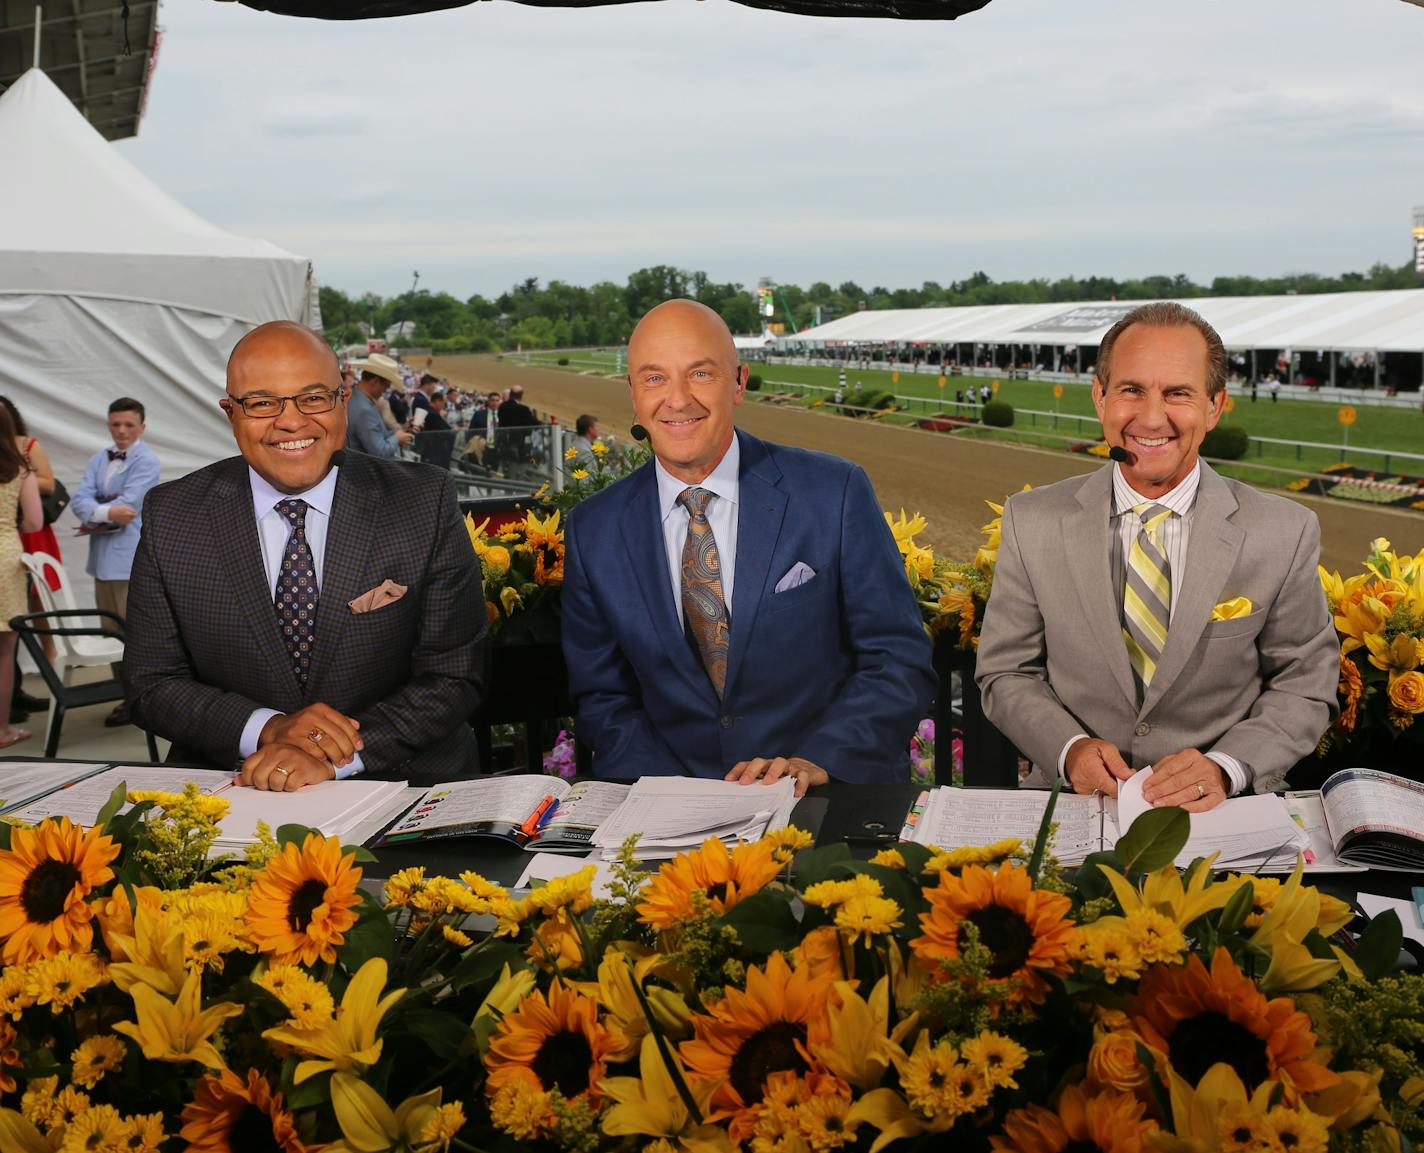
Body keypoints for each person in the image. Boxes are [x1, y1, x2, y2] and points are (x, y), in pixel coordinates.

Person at [562, 300, 935, 797]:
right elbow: (602, 696)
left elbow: (898, 657)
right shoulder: (594, 528)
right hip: (671, 816)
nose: (677, 399)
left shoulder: (834, 492)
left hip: (826, 801)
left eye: (699, 373)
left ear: (738, 382)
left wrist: (817, 760)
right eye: (654, 378)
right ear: (632, 392)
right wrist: (675, 794)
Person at [975, 302, 1337, 811]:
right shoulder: (1030, 519)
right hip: (1074, 804)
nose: (1150, 417)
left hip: (1223, 810)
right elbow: (1006, 671)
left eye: (1177, 394)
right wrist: (1069, 749)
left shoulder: (1285, 530)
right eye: (1131, 390)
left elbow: (1305, 683)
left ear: (1215, 406)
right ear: (1099, 397)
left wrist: (1227, 766)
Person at [125, 321, 486, 790]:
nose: (292, 421)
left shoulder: (422, 501)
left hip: (404, 786)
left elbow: (455, 674)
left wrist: (331, 756)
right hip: (232, 795)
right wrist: (270, 729)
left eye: (313, 398)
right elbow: (151, 684)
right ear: (230, 412)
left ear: (342, 400)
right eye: (262, 403)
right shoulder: (172, 514)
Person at [70, 397, 161, 726]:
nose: (121, 431)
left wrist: (98, 507)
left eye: (129, 425)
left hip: (128, 558)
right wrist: (105, 510)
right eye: (115, 424)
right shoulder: (99, 458)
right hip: (101, 559)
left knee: (130, 633)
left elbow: (131, 505)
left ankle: (137, 699)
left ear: (142, 427)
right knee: (111, 631)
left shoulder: (147, 461)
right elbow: (79, 498)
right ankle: (123, 696)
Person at [1, 396, 61, 707]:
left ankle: (51, 672)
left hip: (30, 539)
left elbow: (49, 483)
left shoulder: (27, 448)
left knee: (41, 612)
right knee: (10, 632)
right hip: (12, 539)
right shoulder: (17, 466)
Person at [0, 403, 43, 748]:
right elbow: (34, 523)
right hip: (6, 557)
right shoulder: (20, 470)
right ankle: (2, 730)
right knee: (4, 651)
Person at [347, 355, 414, 459]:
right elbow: (380, 452)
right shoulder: (364, 409)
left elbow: (379, 435)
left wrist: (404, 429)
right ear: (375, 381)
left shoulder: (359, 399)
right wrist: (397, 438)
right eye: (386, 386)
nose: (385, 391)